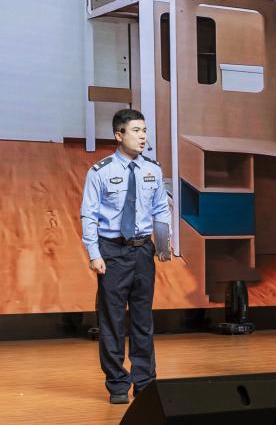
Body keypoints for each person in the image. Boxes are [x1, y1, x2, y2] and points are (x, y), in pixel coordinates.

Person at [80, 109, 172, 404]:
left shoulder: (153, 169)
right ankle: (118, 384)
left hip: (143, 250)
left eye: (144, 130)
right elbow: (89, 215)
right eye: (136, 130)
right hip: (112, 251)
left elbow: (161, 209)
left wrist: (163, 245)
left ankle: (145, 383)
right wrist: (94, 254)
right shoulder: (100, 172)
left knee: (143, 321)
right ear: (119, 135)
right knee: (113, 321)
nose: (143, 136)